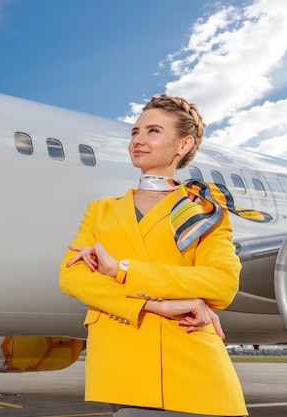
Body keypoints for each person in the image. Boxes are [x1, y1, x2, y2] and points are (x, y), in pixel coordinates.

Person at [59, 94, 247, 416]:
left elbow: (222, 283)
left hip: (193, 362)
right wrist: (157, 304)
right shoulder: (101, 211)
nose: (138, 140)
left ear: (183, 145)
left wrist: (123, 269)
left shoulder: (203, 210)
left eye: (153, 131)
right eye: (135, 132)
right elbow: (72, 276)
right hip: (121, 367)